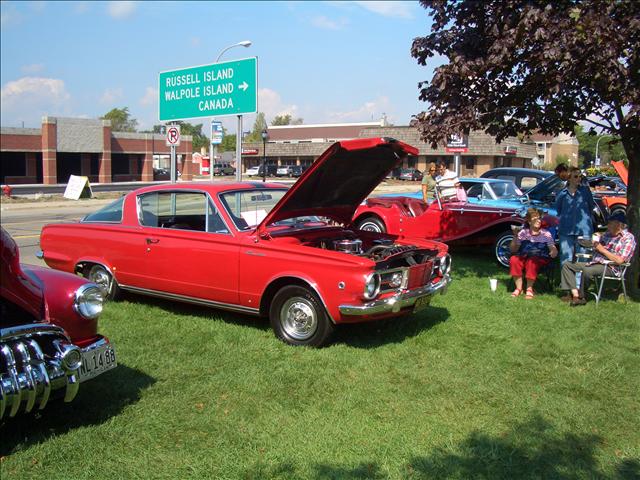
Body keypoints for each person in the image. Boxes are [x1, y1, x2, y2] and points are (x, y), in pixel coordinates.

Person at [560, 211, 636, 306]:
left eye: (610, 223)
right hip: (595, 262)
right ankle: (575, 295)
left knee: (587, 270)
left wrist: (602, 250)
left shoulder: (628, 238)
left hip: (610, 267)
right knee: (568, 265)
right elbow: (596, 244)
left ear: (619, 225)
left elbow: (620, 260)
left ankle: (582, 297)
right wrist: (592, 240)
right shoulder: (608, 234)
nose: (607, 226)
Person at [509, 208, 558, 299]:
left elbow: (552, 247)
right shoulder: (523, 233)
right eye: (535, 218)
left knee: (532, 261)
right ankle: (518, 288)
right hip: (524, 256)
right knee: (514, 259)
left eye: (539, 218)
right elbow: (513, 249)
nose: (539, 221)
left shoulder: (545, 233)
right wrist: (515, 236)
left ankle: (529, 289)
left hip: (539, 257)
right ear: (529, 221)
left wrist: (553, 251)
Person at [554, 166, 595, 265]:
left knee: (583, 259)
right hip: (566, 230)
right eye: (576, 176)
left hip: (584, 230)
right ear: (569, 178)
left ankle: (578, 281)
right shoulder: (562, 193)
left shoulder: (585, 191)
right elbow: (558, 209)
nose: (579, 179)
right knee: (565, 259)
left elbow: (591, 206)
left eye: (580, 176)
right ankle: (567, 280)